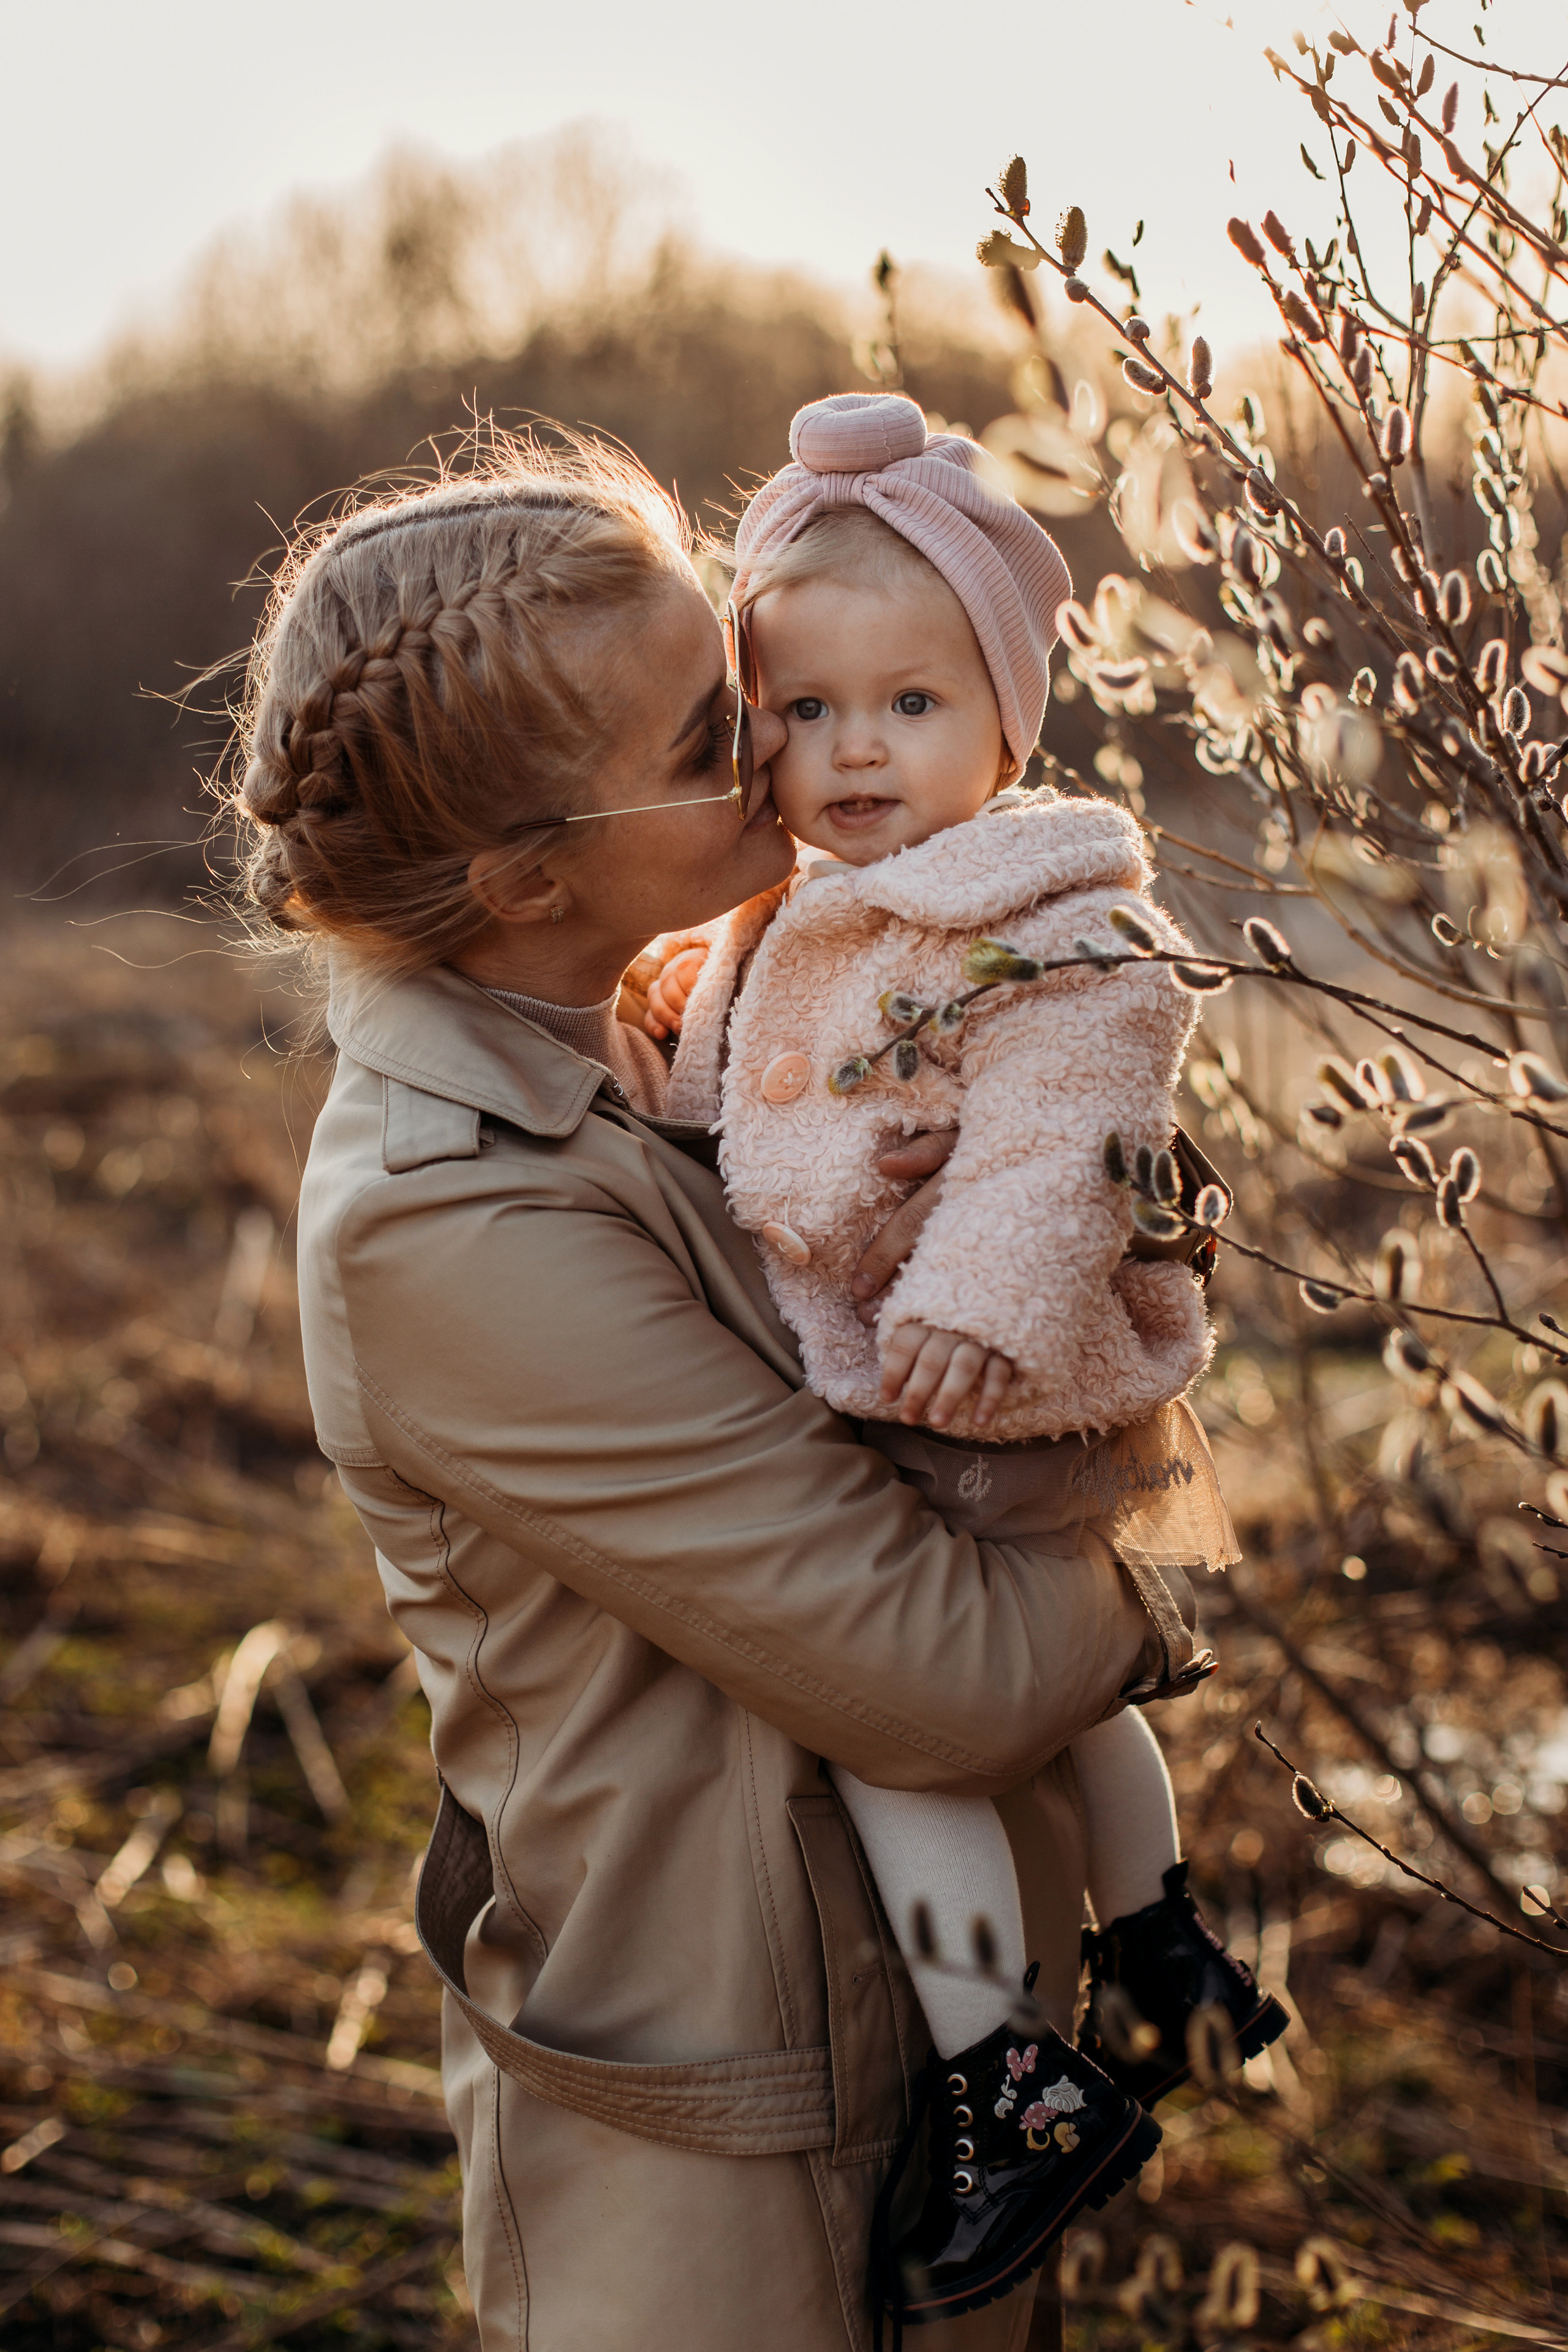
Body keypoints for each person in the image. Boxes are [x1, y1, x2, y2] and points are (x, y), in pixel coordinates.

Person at [233, 434, 1213, 2352]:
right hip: (730, 2134)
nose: (783, 758)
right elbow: (942, 1668)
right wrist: (1116, 1469)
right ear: (522, 876)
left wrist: (1025, 1217)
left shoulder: (687, 1014)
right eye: (714, 738)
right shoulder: (447, 1220)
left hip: (924, 2036)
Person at [642, 393, 1287, 2326]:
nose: (851, 752)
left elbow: (1059, 1134)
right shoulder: (800, 912)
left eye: (910, 707)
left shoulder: (1051, 922)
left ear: (1009, 723)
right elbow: (727, 1062)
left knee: (898, 1723)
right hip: (942, 1367)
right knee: (1073, 1686)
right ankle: (1163, 1942)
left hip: (969, 1382)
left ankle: (1007, 2078)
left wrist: (973, 1306)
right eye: (805, 708)